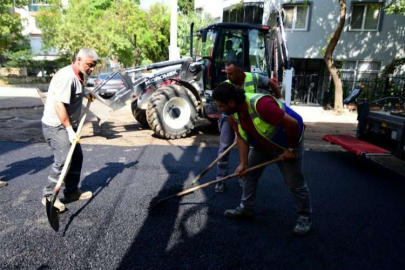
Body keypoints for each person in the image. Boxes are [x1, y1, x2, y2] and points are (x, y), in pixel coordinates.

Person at [212, 82, 312, 235]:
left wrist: (291, 149)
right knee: (248, 175)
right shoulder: (233, 116)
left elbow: (292, 125)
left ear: (231, 102)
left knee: (294, 182)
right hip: (262, 145)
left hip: (287, 142)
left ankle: (305, 217)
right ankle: (247, 208)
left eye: (221, 106)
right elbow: (241, 138)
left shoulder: (262, 105)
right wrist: (243, 163)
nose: (220, 110)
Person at [41, 48, 98, 212]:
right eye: (89, 64)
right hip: (56, 126)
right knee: (64, 160)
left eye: (93, 65)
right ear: (78, 59)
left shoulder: (79, 75)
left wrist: (86, 93)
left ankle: (72, 192)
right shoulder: (67, 77)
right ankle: (48, 196)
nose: (91, 69)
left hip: (67, 125)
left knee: (77, 157)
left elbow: (74, 92)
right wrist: (69, 129)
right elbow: (58, 105)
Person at [215, 60, 282, 193]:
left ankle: (242, 174)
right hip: (230, 118)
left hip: (246, 118)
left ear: (240, 72)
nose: (228, 77)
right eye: (226, 74)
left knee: (245, 148)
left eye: (231, 74)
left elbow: (271, 83)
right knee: (224, 148)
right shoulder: (226, 85)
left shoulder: (254, 77)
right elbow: (221, 106)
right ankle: (220, 179)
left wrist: (280, 99)